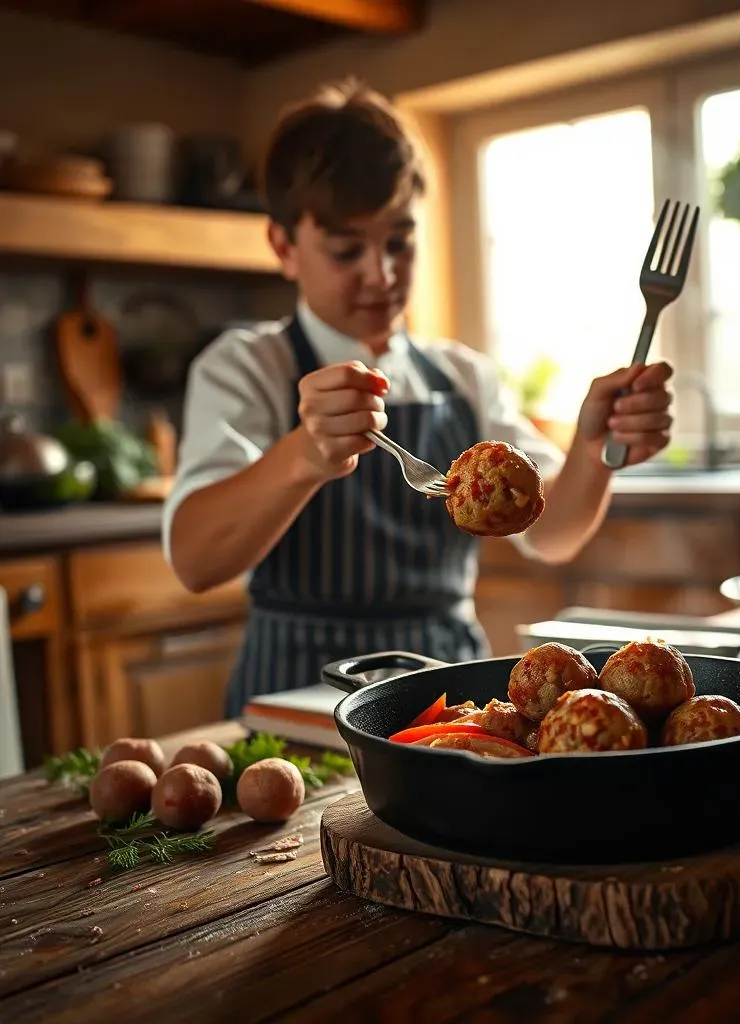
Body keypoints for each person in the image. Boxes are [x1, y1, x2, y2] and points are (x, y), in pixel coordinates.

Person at [162, 79, 675, 716]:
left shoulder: (462, 375)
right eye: (347, 249)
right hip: (298, 702)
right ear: (284, 247)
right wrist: (305, 455)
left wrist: (597, 447)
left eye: (399, 242)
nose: (381, 274)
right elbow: (194, 560)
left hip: (450, 697)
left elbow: (552, 536)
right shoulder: (247, 366)